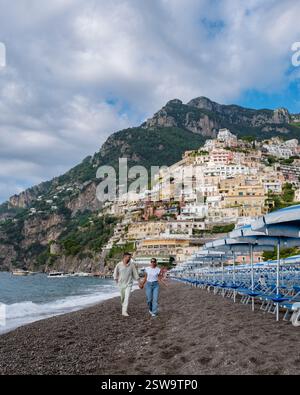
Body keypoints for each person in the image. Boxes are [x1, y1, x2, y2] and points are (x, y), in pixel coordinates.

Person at [113, 252, 140, 317]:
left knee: (127, 297)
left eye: (130, 257)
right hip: (121, 284)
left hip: (129, 284)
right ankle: (123, 306)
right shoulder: (119, 264)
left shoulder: (132, 265)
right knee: (123, 297)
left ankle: (124, 311)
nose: (130, 258)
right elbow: (115, 273)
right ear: (124, 257)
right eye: (129, 257)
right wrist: (116, 280)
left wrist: (139, 281)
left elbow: (135, 274)